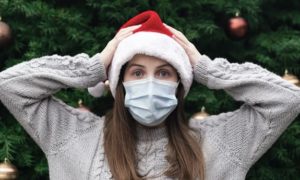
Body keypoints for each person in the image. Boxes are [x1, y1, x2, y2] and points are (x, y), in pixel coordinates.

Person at [0, 10, 299, 180]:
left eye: (165, 73)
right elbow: (9, 86)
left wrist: (206, 69)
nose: (151, 83)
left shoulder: (220, 141)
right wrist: (94, 66)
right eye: (138, 72)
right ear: (119, 82)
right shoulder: (72, 136)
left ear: (180, 85)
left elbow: (288, 100)